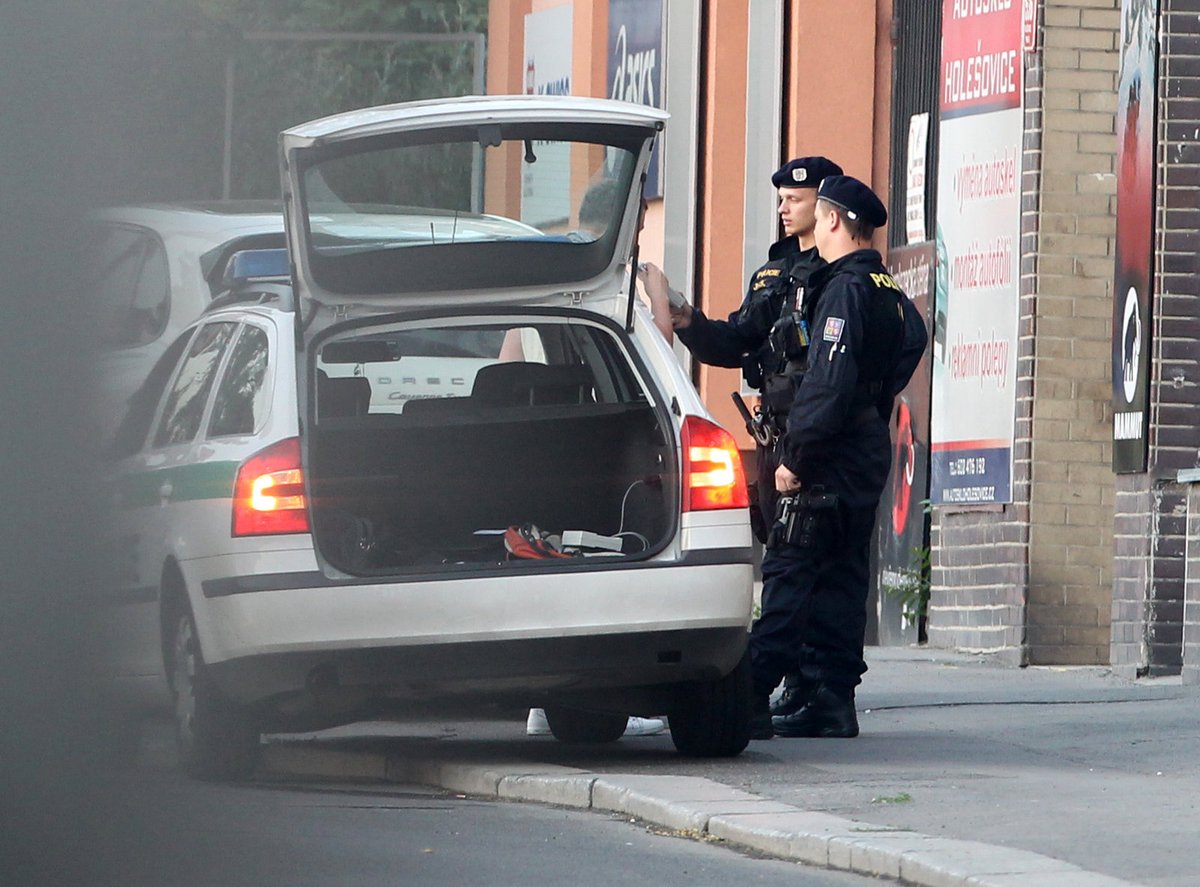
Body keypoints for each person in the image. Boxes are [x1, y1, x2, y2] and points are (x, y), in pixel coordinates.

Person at [640, 156, 844, 724]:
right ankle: (802, 689)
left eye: (794, 200)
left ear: (825, 206)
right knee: (792, 559)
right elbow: (737, 341)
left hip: (818, 438)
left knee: (804, 565)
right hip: (778, 436)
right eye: (779, 198)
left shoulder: (838, 272)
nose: (782, 208)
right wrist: (689, 322)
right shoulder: (774, 273)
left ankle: (804, 688)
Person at [746, 175, 927, 740]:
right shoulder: (886, 285)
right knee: (842, 576)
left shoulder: (845, 288)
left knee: (791, 569)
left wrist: (795, 458)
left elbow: (825, 383)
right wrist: (873, 400)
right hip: (863, 447)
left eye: (816, 214)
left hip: (828, 452)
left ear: (831, 221)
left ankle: (746, 696)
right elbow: (913, 341)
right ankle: (829, 697)